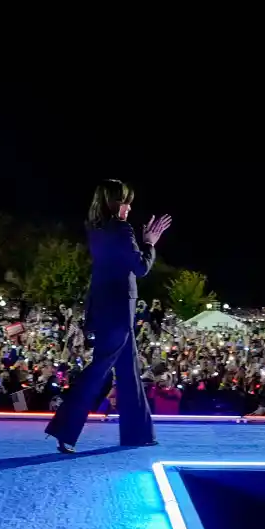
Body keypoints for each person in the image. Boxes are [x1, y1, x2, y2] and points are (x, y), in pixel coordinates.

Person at [45, 179, 172, 452]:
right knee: (100, 370)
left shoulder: (95, 227)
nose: (129, 207)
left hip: (105, 306)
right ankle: (64, 428)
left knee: (129, 371)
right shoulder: (121, 228)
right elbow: (140, 268)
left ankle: (139, 433)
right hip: (118, 309)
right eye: (126, 201)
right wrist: (150, 243)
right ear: (114, 202)